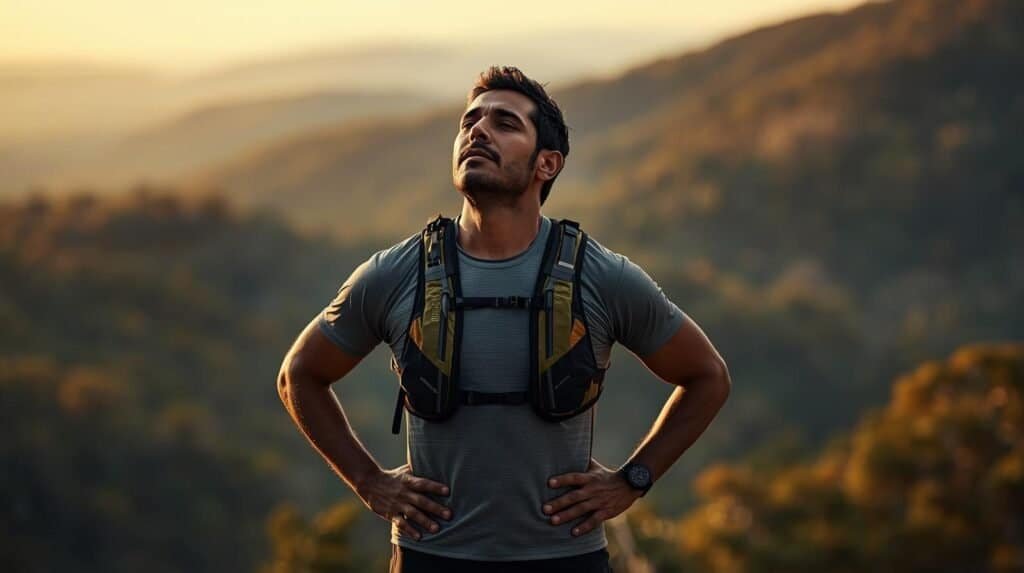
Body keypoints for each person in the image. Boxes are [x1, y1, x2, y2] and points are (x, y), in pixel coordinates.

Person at [277, 65, 731, 572]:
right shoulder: (398, 272)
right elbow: (299, 375)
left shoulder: (600, 276)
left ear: (547, 164)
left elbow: (707, 376)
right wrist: (368, 481)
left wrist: (633, 479)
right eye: (469, 121)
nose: (478, 131)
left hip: (566, 559)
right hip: (430, 557)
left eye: (505, 123)